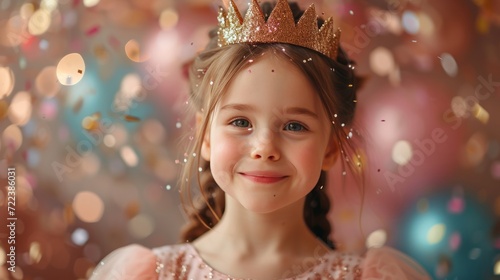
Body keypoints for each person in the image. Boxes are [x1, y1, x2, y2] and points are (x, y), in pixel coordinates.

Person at [91, 0, 431, 279]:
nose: (265, 148)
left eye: (295, 126)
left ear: (329, 146)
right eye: (240, 121)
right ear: (204, 135)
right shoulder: (151, 275)